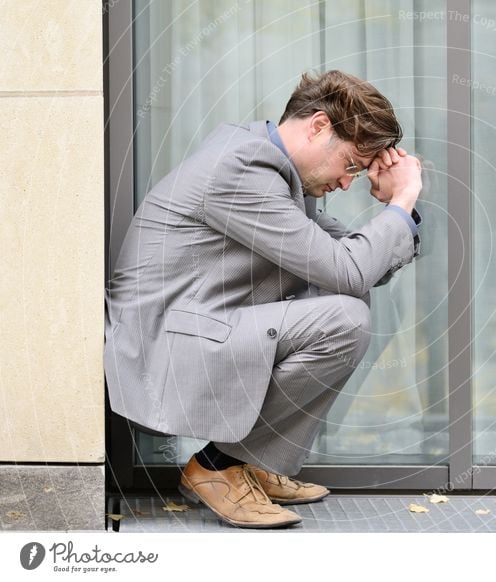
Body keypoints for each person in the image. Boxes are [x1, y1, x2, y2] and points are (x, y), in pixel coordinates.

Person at [104, 70, 423, 528]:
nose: (348, 181)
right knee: (344, 318)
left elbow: (357, 260)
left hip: (202, 329)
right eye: (352, 164)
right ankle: (217, 468)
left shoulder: (276, 172)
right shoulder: (240, 171)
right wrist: (403, 198)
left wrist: (399, 208)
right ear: (318, 126)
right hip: (160, 352)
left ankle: (247, 463)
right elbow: (349, 271)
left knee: (340, 301)